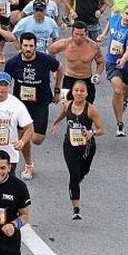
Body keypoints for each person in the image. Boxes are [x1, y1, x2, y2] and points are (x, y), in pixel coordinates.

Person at [4, 32, 61, 179]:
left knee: (37, 139)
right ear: (20, 46)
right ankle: (28, 164)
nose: (28, 49)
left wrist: (57, 90)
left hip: (41, 102)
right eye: (25, 46)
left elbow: (60, 69)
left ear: (35, 47)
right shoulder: (12, 63)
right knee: (24, 138)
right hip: (21, 105)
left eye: (31, 46)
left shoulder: (45, 60)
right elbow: (5, 82)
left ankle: (28, 135)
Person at [49, 80, 104, 220]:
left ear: (86, 93)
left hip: (87, 147)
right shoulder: (68, 104)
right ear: (72, 92)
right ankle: (76, 208)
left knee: (82, 172)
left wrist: (92, 132)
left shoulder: (91, 109)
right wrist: (55, 123)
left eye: (82, 91)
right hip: (70, 145)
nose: (79, 93)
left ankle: (78, 179)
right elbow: (62, 114)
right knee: (74, 174)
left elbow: (101, 129)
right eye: (76, 90)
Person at [99, 2, 128, 137]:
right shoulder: (115, 18)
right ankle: (120, 123)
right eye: (127, 14)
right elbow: (109, 25)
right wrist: (103, 35)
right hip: (112, 62)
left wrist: (123, 59)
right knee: (118, 90)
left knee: (125, 90)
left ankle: (125, 100)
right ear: (123, 12)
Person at [48, 22, 104, 104]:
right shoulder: (65, 43)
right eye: (76, 34)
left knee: (88, 106)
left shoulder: (93, 46)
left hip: (86, 78)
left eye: (82, 35)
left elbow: (101, 62)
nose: (78, 37)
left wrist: (97, 74)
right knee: (65, 103)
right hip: (68, 78)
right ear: (72, 33)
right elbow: (51, 50)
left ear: (86, 34)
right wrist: (56, 68)